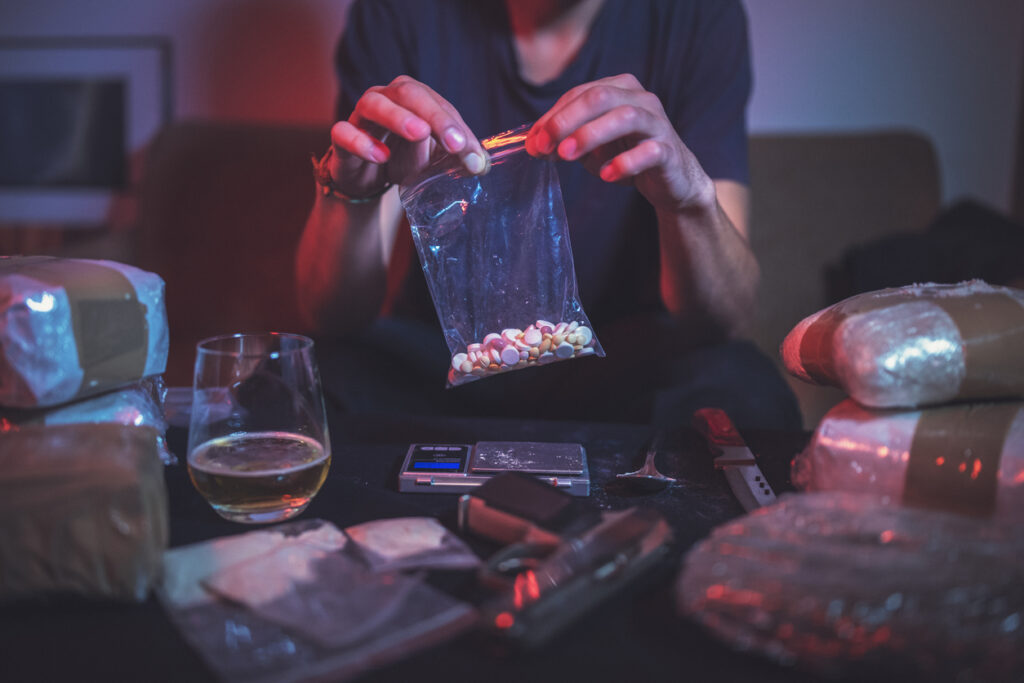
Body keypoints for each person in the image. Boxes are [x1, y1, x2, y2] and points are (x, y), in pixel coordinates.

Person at [296, 0, 802, 430]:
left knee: (745, 394)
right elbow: (334, 318)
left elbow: (726, 319)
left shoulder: (696, 16)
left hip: (627, 364)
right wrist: (353, 195)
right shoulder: (400, 13)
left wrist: (687, 200)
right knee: (308, 385)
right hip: (435, 363)